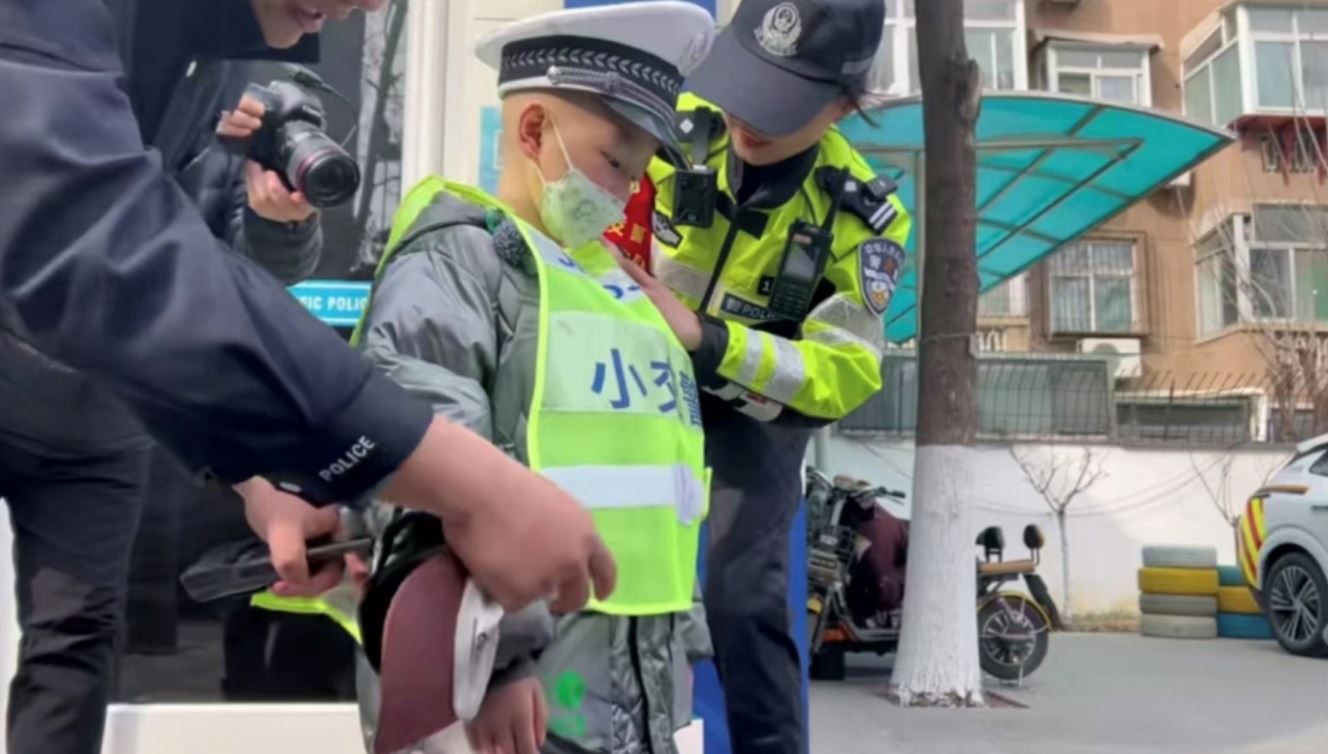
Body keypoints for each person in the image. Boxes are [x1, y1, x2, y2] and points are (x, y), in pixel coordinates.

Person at [1, 3, 619, 751]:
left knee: (75, 641)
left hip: (98, 422)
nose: (368, 6)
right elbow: (101, 248)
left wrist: (258, 478)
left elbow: (165, 289)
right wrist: (469, 481)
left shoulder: (213, 60)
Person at [327, 4, 717, 752]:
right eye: (614, 161)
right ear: (534, 131)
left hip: (632, 689)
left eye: (637, 176)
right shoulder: (458, 262)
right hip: (517, 690)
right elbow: (429, 466)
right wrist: (499, 663)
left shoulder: (619, 288)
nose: (624, 192)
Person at [604, 1, 912, 752]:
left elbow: (842, 372)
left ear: (843, 105)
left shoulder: (864, 218)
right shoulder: (675, 133)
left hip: (755, 408)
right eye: (746, 81)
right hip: (637, 377)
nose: (749, 116)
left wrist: (707, 339)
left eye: (783, 100)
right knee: (606, 569)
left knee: (743, 598)